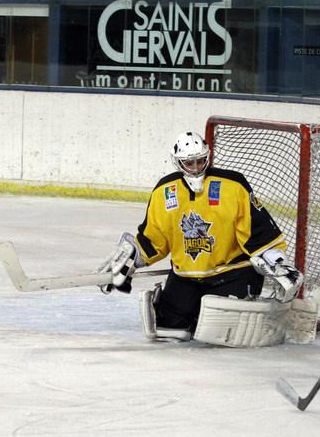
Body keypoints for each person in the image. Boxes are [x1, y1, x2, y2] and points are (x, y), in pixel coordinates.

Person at [99, 131, 303, 345]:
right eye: (189, 163)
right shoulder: (164, 191)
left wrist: (277, 261)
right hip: (186, 277)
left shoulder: (233, 185)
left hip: (231, 273)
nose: (196, 168)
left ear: (208, 156)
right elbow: (155, 238)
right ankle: (190, 309)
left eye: (200, 161)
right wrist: (132, 258)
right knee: (167, 330)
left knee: (220, 334)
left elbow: (257, 230)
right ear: (178, 162)